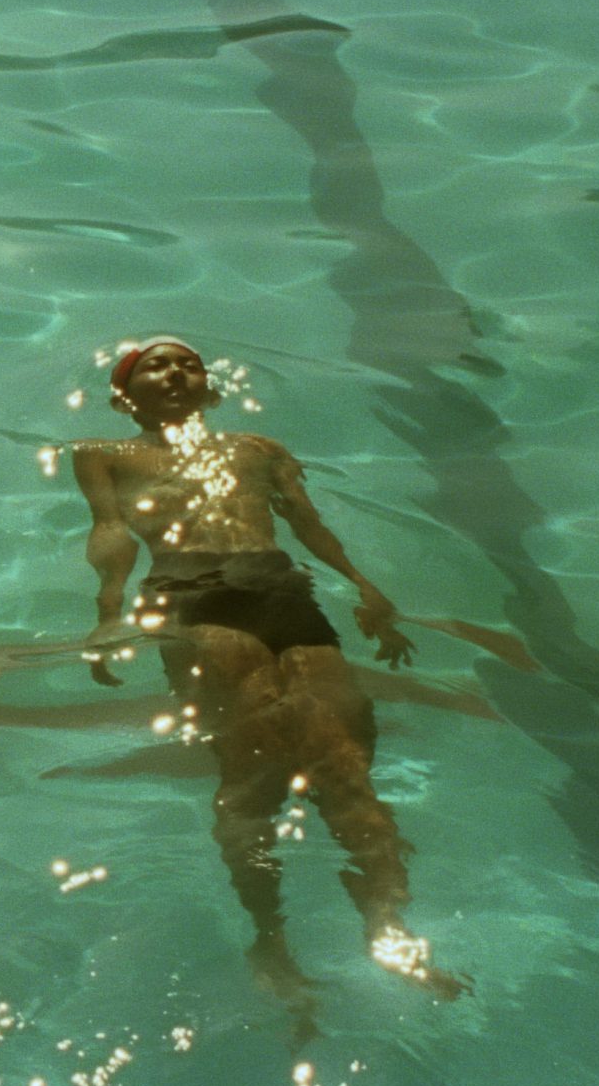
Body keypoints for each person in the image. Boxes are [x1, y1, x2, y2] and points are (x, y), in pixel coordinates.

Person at [69, 338, 463, 1014]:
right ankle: (271, 939)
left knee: (345, 759)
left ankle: (388, 923)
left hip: (282, 592)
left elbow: (307, 523)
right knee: (251, 764)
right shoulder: (104, 454)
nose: (174, 370)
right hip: (193, 594)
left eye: (187, 362)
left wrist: (363, 585)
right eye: (155, 364)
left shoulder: (258, 449)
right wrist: (108, 614)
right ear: (124, 396)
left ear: (209, 384)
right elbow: (111, 532)